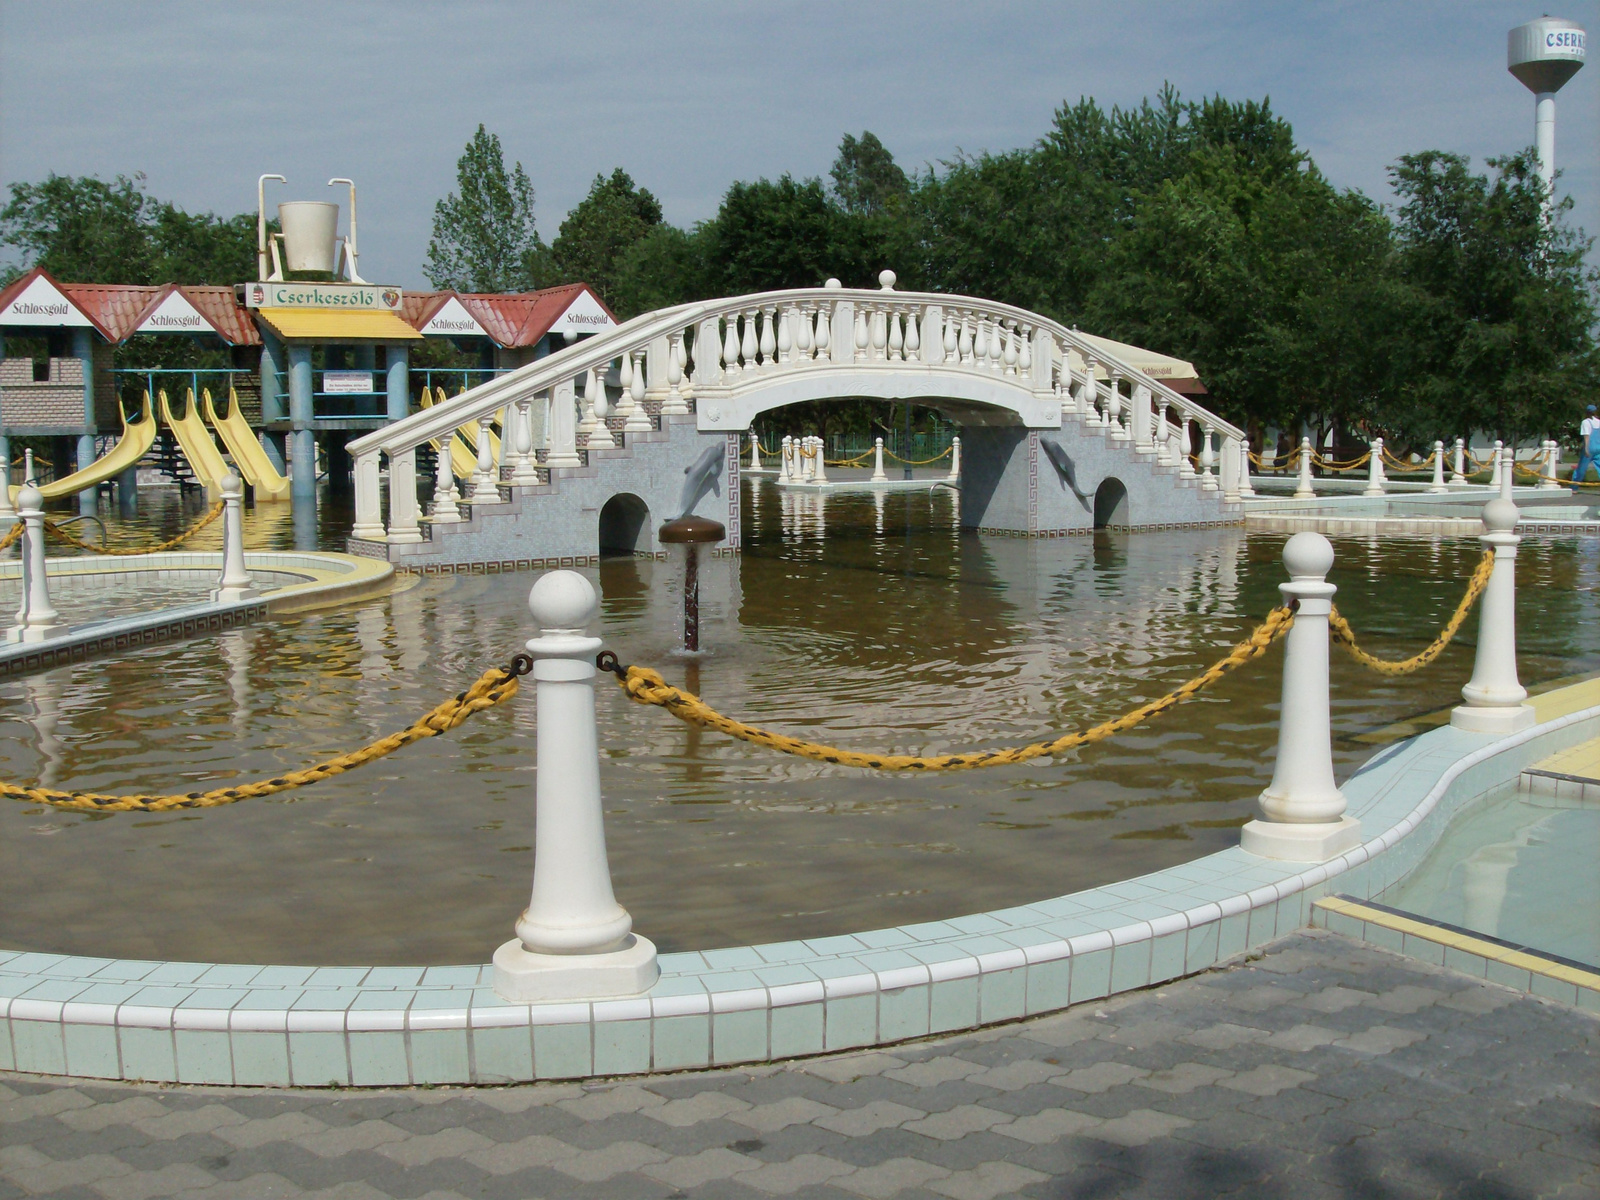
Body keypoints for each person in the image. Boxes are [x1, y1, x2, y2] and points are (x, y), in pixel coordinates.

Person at [1576, 405, 1600, 489]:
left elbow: (1586, 436)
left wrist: (1586, 448)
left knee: (1581, 468)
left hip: (1590, 447)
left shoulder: (1586, 422)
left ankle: (1574, 487)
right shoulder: (1598, 421)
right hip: (1599, 447)